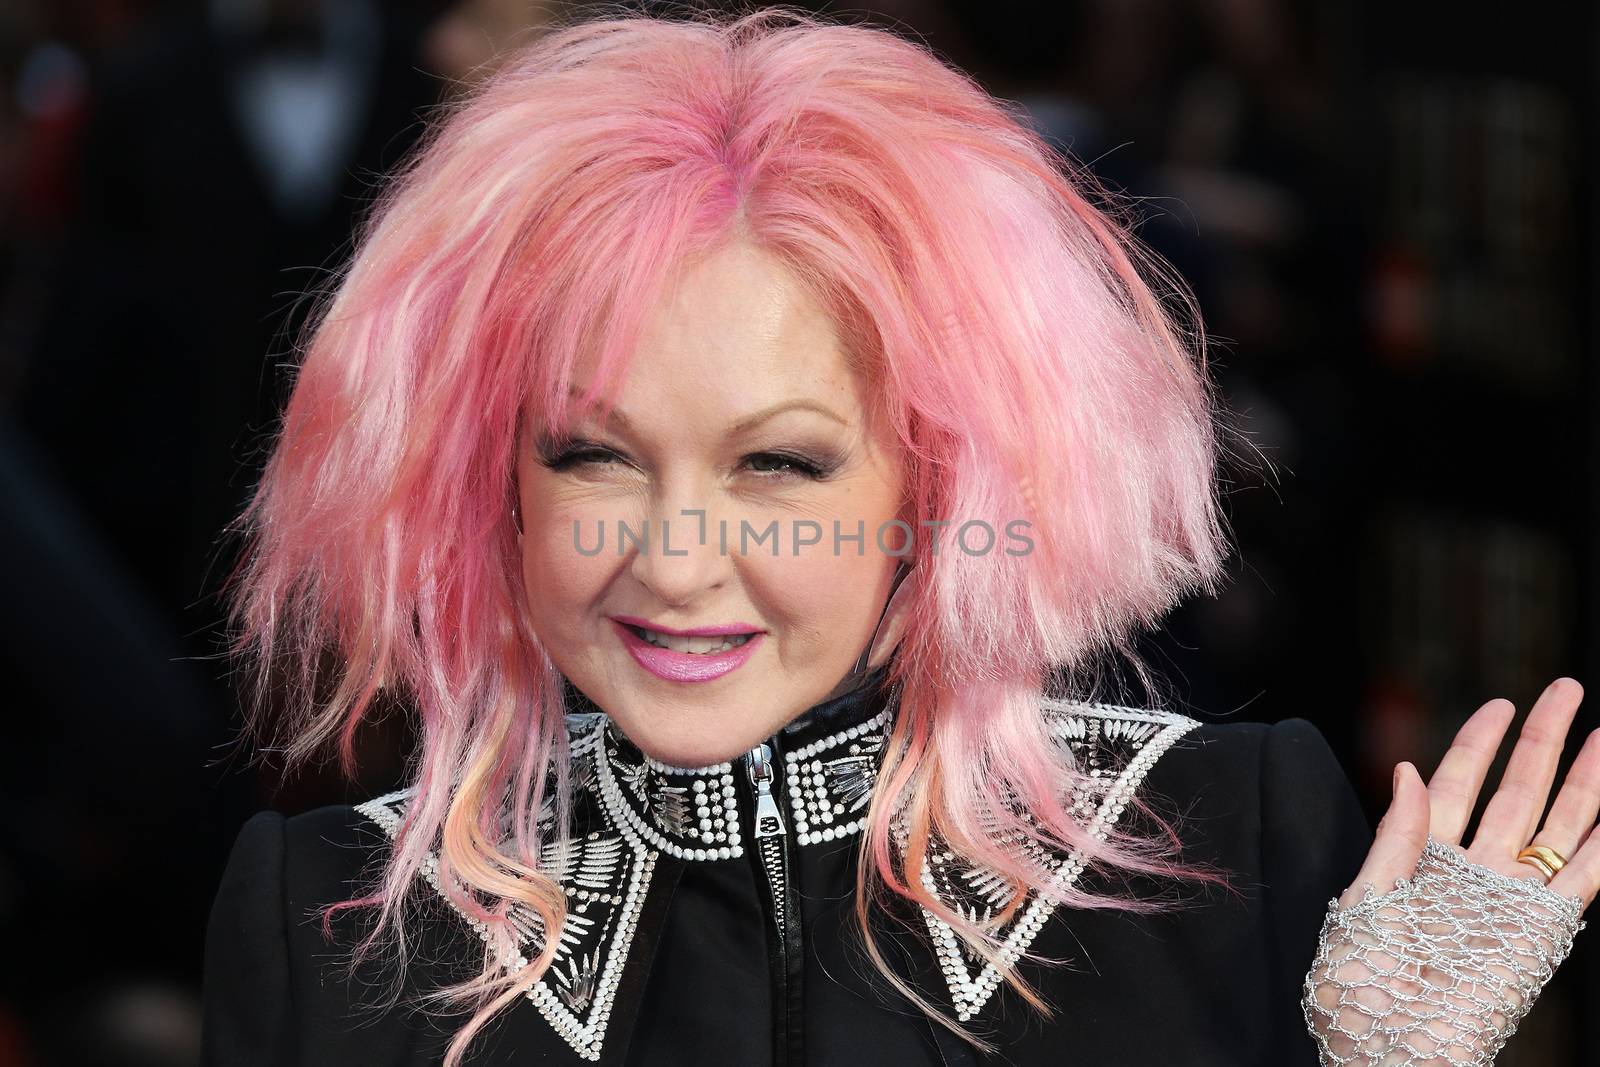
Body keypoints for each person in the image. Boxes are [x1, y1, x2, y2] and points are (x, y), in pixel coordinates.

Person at [200, 9, 1597, 1066]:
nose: (676, 560)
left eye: (782, 467)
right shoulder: (331, 933)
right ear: (488, 483)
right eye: (593, 456)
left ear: (938, 485)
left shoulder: (1234, 847)